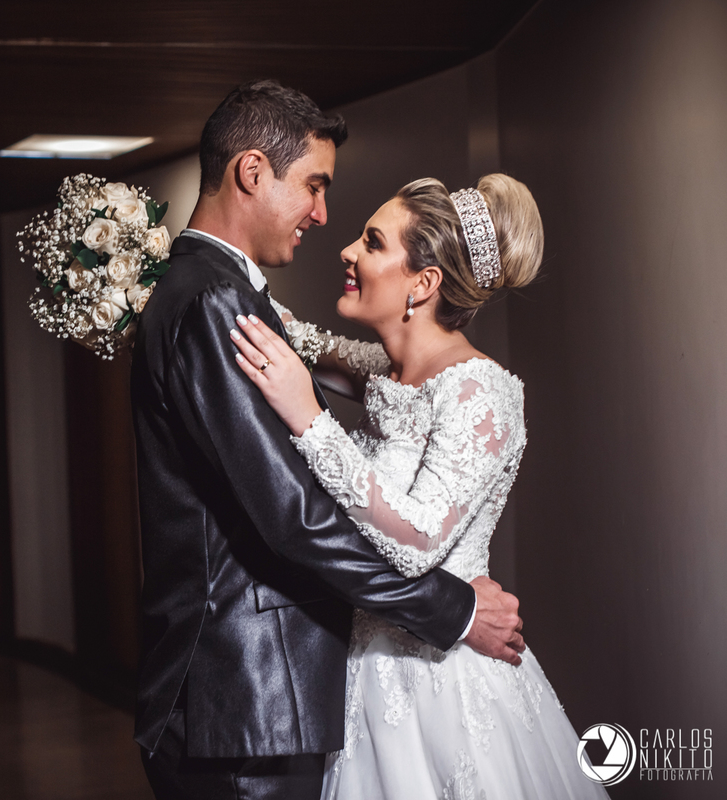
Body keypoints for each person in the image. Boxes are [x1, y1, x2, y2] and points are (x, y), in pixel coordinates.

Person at [131, 79, 524, 800]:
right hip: (246, 697)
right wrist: (456, 609)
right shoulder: (218, 301)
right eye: (315, 186)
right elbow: (296, 516)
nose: (324, 218)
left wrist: (310, 404)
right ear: (253, 172)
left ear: (424, 283)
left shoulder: (232, 299)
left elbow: (321, 371)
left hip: (317, 686)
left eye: (370, 240)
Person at [229, 174, 609, 798]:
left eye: (372, 242)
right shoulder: (387, 370)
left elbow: (417, 541)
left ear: (424, 284)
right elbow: (299, 339)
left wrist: (310, 417)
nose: (348, 250)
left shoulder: (479, 391)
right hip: (359, 671)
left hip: (443, 682)